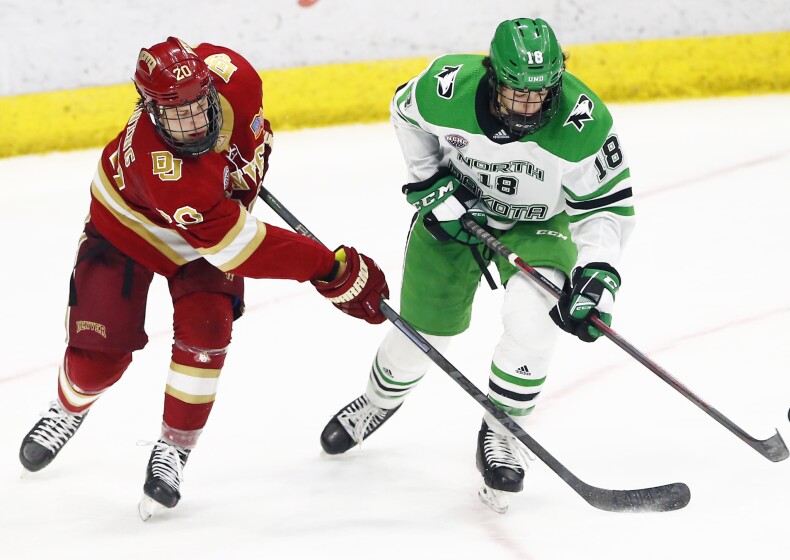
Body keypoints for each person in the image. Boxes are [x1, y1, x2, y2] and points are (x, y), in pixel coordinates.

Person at [18, 37, 389, 519]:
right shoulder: (167, 172)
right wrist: (331, 269)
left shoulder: (237, 77)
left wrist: (243, 165)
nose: (193, 123)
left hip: (210, 224)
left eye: (199, 106)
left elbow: (220, 80)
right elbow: (241, 248)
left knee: (208, 331)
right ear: (148, 108)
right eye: (176, 115)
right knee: (97, 363)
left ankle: (173, 450)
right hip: (128, 227)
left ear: (210, 86)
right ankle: (68, 409)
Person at [318, 18, 634, 513]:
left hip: (541, 225)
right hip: (456, 214)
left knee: (533, 322)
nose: (529, 108)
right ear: (491, 76)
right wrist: (428, 183)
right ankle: (377, 403)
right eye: (516, 95)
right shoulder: (447, 87)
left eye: (540, 95)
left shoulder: (583, 121)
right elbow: (405, 113)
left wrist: (598, 275)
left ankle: (504, 428)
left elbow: (606, 207)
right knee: (421, 335)